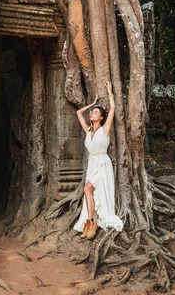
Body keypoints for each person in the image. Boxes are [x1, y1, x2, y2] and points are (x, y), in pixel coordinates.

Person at [73, 82, 124, 239]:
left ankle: (92, 223)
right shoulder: (88, 130)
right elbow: (78, 113)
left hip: (102, 163)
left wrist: (110, 93)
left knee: (87, 189)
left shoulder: (104, 129)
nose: (92, 114)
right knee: (89, 191)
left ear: (101, 117)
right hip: (92, 164)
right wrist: (93, 103)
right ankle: (89, 222)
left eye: (95, 112)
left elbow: (113, 109)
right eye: (92, 112)